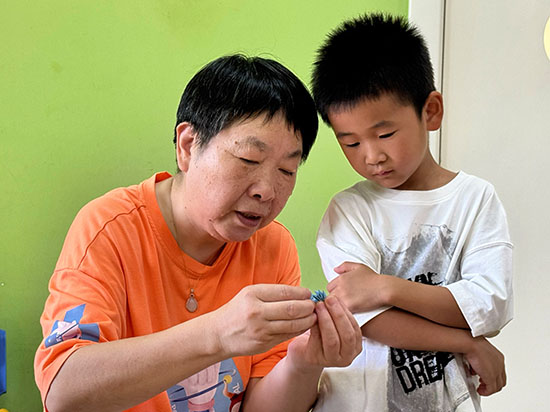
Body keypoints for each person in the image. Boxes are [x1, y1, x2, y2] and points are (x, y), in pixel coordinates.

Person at [34, 54, 362, 412]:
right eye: (248, 160)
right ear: (188, 145)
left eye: (287, 170)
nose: (266, 191)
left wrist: (303, 363)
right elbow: (63, 392)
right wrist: (217, 334)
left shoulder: (274, 245)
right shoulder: (110, 227)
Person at [309, 13, 513, 412]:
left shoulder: (475, 200)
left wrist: (386, 287)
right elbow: (367, 318)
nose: (372, 156)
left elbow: (488, 305)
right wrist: (466, 342)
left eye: (385, 134)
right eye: (351, 143)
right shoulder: (349, 210)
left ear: (431, 111)